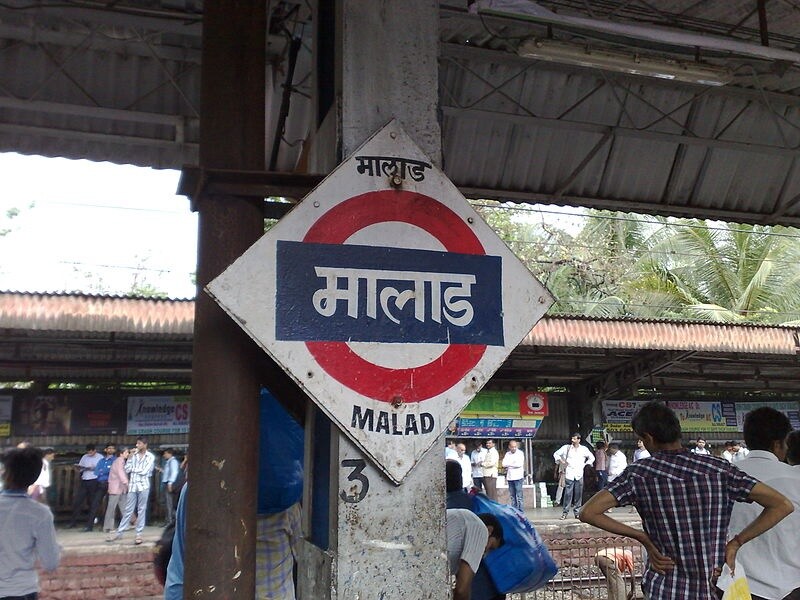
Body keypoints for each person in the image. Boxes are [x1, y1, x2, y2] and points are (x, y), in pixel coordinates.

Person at [580, 401, 794, 600]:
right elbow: (782, 505)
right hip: (713, 587)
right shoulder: (718, 469)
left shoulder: (639, 473)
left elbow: (587, 512)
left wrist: (642, 537)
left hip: (664, 587)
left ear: (649, 438)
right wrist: (736, 542)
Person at [728, 407, 800, 600]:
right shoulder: (796, 478)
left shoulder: (723, 476)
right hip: (792, 586)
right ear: (778, 444)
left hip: (739, 587)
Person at [0, 446, 61, 598]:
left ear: (5, 473)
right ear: (34, 477)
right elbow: (50, 563)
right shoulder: (39, 513)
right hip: (21, 590)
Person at [446, 508, 503, 600]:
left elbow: (463, 587)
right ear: (489, 530)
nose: (485, 554)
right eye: (490, 547)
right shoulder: (480, 528)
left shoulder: (463, 521)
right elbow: (461, 590)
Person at [108, 436, 155, 545]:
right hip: (133, 486)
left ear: (145, 444)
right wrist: (129, 458)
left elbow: (144, 471)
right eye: (137, 443)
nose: (137, 446)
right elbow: (127, 469)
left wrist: (134, 470)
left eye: (139, 444)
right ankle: (119, 532)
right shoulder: (133, 456)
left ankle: (139, 534)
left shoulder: (150, 456)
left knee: (141, 509)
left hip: (143, 486)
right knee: (128, 509)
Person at [553, 433, 594, 520]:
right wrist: (562, 461)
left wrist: (585, 464)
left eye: (575, 439)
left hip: (579, 473)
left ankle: (577, 512)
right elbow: (556, 454)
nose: (573, 440)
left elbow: (592, 458)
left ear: (579, 440)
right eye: (572, 439)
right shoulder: (566, 448)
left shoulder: (583, 449)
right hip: (569, 473)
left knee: (578, 494)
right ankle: (565, 512)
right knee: (568, 494)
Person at [68, 443, 102, 531]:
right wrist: (80, 468)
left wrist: (94, 468)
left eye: (91, 452)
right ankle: (73, 522)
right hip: (85, 479)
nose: (89, 454)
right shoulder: (84, 457)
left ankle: (93, 520)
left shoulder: (100, 457)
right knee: (78, 501)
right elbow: (80, 468)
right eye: (88, 452)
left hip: (94, 480)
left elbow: (102, 469)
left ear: (95, 450)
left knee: (92, 502)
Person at [103, 447, 129, 533]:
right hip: (116, 487)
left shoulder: (120, 461)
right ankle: (108, 527)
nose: (127, 454)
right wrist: (126, 482)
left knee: (124, 507)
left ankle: (125, 525)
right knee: (112, 508)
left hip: (120, 488)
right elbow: (121, 473)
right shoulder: (119, 461)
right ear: (121, 454)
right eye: (126, 452)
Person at [94, 443, 116, 529]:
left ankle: (107, 525)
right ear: (105, 450)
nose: (110, 450)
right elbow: (96, 472)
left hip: (110, 484)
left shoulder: (115, 460)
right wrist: (105, 471)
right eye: (109, 448)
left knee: (109, 505)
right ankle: (94, 523)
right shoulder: (101, 460)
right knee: (96, 503)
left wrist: (103, 471)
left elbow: (112, 472)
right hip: (100, 483)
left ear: (114, 450)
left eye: (112, 448)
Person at [501, 440, 525, 511]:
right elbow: (503, 464)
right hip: (510, 477)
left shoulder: (520, 453)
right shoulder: (507, 454)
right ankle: (514, 510)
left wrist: (509, 464)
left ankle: (521, 511)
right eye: (512, 447)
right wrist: (512, 464)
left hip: (518, 477)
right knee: (512, 496)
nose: (514, 448)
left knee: (519, 496)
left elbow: (519, 464)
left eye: (515, 447)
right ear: (509, 447)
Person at [161, 448, 179, 525]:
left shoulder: (173, 462)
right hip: (166, 483)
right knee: (167, 503)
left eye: (165, 453)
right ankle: (168, 520)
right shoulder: (169, 462)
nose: (164, 455)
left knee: (169, 503)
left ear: (169, 454)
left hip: (169, 483)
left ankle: (171, 521)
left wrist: (170, 483)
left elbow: (174, 472)